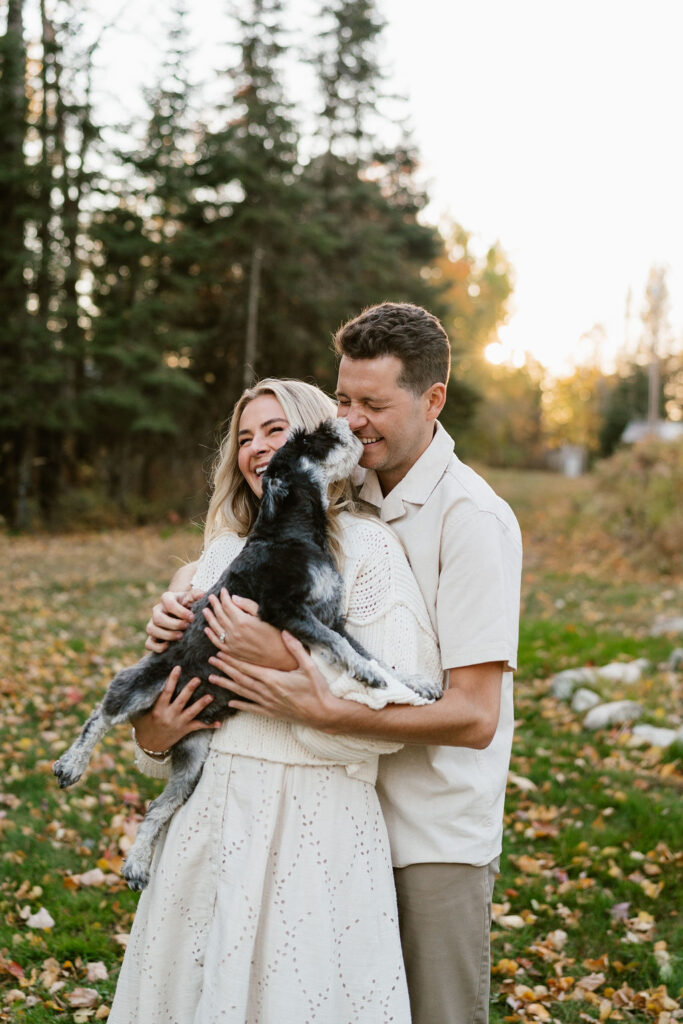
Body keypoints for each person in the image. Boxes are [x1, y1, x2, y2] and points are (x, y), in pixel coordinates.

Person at [203, 304, 523, 1024]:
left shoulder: (470, 519)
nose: (351, 420)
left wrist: (315, 707)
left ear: (432, 398)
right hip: (339, 818)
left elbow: (474, 716)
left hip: (429, 835)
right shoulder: (356, 490)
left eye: (373, 404)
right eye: (343, 398)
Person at [109, 377, 443, 1024]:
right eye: (244, 437)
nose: (258, 448)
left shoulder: (366, 551)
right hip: (205, 826)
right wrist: (154, 733)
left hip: (314, 828)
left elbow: (397, 714)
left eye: (275, 430)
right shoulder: (215, 561)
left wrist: (282, 667)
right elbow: (157, 744)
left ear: (318, 443)